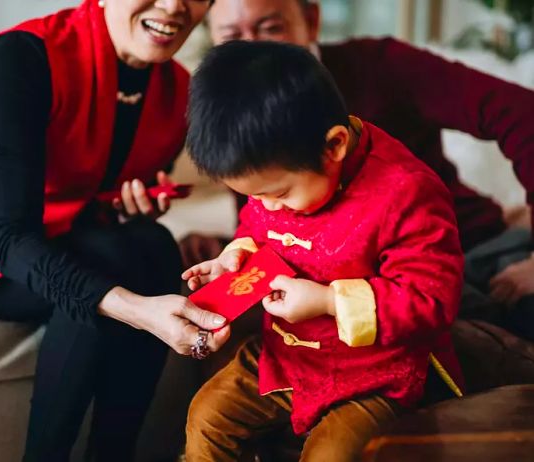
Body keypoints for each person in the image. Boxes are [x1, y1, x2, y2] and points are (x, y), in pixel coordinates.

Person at [0, 1, 230, 460]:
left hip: (64, 223)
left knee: (152, 244)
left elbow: (100, 190)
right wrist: (138, 310)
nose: (173, 6)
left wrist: (126, 208)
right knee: (99, 270)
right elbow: (12, 240)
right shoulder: (23, 58)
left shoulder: (174, 92)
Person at [180, 0, 534, 340]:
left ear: (312, 20)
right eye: (231, 37)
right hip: (353, 288)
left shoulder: (383, 67)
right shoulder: (228, 108)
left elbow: (523, 114)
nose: (252, 52)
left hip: (470, 248)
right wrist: (230, 250)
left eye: (271, 28)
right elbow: (277, 223)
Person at [182, 40, 464, 462]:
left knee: (333, 453)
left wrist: (331, 301)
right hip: (285, 357)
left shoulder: (406, 191)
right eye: (255, 196)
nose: (267, 206)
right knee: (206, 416)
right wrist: (235, 256)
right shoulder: (278, 170)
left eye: (277, 194)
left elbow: (431, 298)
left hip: (375, 373)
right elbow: (257, 227)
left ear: (333, 146)